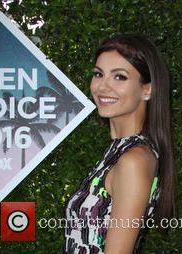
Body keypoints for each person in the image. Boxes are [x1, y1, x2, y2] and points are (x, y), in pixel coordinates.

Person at [64, 34, 175, 254]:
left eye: (119, 77)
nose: (102, 87)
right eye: (98, 74)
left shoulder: (134, 160)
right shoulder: (118, 151)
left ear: (147, 90)